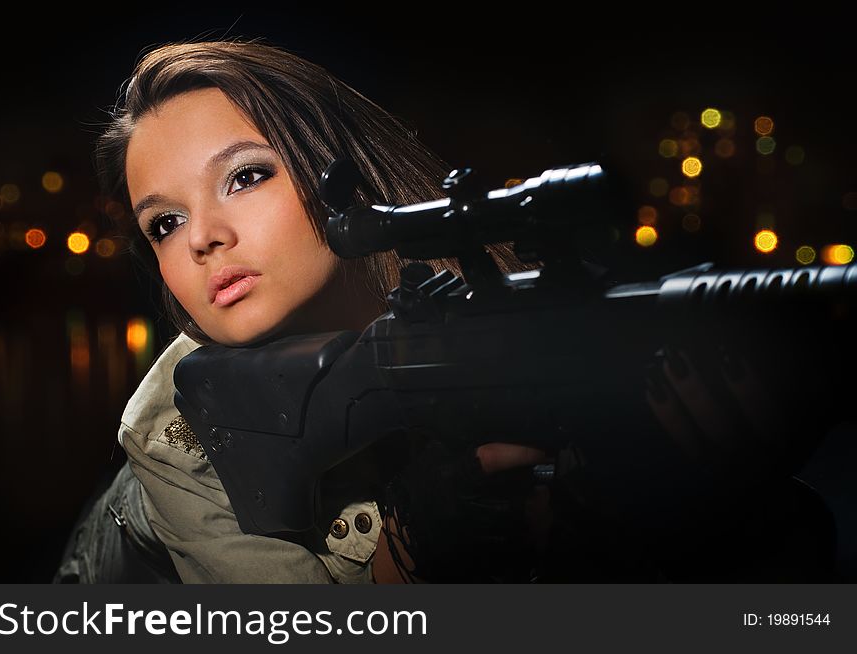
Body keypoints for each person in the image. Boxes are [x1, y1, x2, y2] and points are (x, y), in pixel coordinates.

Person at [54, 38, 837, 585]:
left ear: (342, 178)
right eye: (165, 223)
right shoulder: (175, 432)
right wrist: (415, 549)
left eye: (245, 178)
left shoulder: (494, 310)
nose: (204, 240)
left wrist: (723, 512)